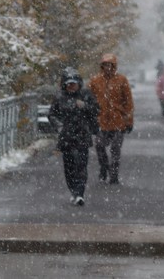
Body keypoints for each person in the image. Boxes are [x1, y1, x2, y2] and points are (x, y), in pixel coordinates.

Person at [48, 67, 99, 206]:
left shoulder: (86, 94)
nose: (71, 86)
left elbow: (96, 110)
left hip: (82, 135)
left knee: (81, 165)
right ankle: (73, 190)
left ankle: (79, 193)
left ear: (79, 83)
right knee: (69, 166)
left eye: (74, 84)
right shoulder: (59, 97)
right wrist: (59, 126)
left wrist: (85, 106)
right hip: (66, 137)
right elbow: (52, 114)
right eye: (69, 84)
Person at [88, 53, 134, 184]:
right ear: (102, 66)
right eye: (105, 65)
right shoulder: (95, 81)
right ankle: (103, 167)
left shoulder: (121, 80)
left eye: (110, 65)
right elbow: (88, 98)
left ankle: (114, 175)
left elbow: (128, 102)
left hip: (118, 121)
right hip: (101, 122)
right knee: (99, 146)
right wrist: (90, 118)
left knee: (115, 149)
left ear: (114, 66)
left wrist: (129, 121)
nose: (108, 67)